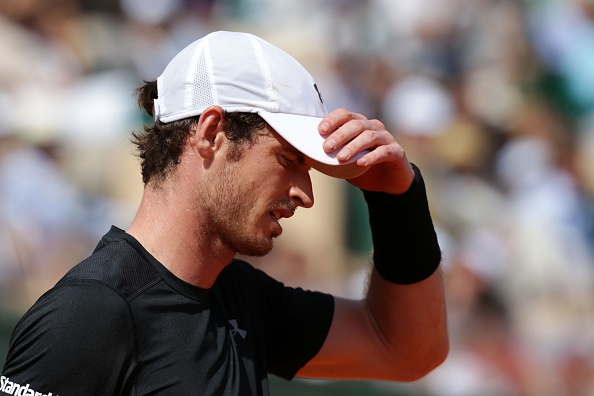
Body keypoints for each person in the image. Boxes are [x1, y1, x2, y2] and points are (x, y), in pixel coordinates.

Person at [1, 31, 448, 395]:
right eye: (289, 159)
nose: (305, 194)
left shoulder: (235, 295)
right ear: (212, 133)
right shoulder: (91, 312)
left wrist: (398, 196)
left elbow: (409, 351)